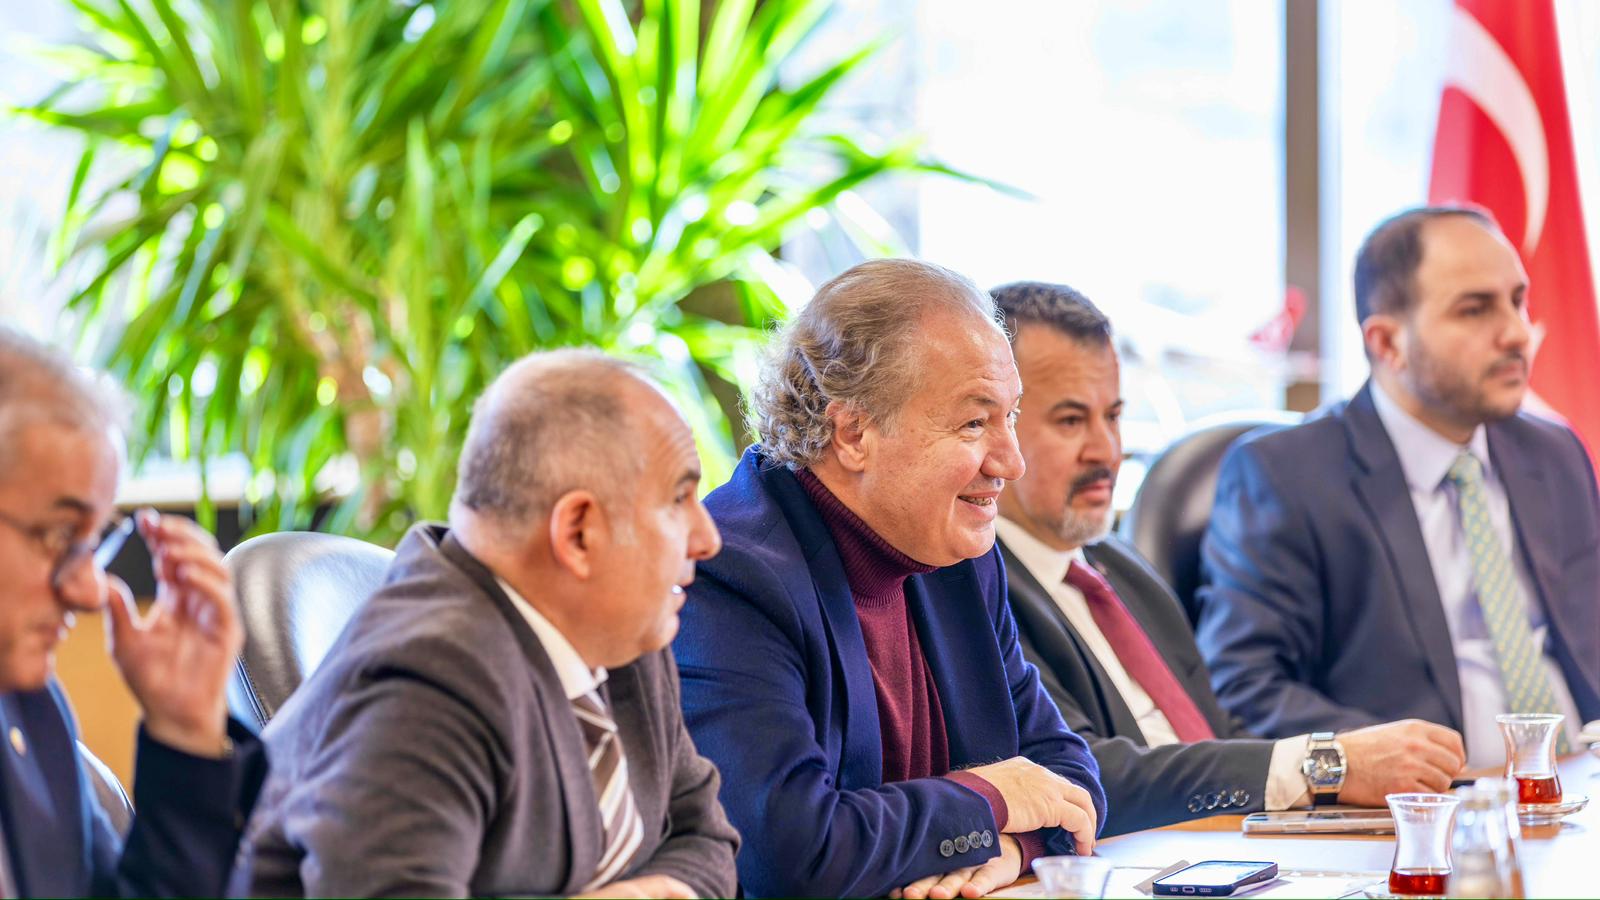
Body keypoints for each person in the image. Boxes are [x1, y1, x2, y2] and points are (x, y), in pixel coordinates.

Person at [673, 259, 1105, 900]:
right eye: (974, 423)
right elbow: (790, 852)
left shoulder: (956, 552)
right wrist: (987, 800)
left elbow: (1069, 775)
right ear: (853, 433)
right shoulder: (730, 572)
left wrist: (1013, 848)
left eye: (1011, 416)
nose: (1011, 462)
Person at [236, 350, 739, 898]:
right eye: (678, 500)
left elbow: (706, 837)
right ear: (578, 532)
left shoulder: (618, 626)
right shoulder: (425, 687)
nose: (707, 538)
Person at [989, 281, 1465, 835]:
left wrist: (1362, 765)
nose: (1106, 450)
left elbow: (1215, 732)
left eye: (1113, 416)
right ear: (998, 424)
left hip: (1231, 846)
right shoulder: (976, 585)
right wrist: (1326, 764)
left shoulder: (1119, 567)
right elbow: (1078, 774)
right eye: (1071, 421)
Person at [1196, 207, 1600, 768]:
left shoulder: (1553, 452)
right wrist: (1374, 760)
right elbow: (1242, 686)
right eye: (1475, 309)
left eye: (1517, 301)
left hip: (1579, 782)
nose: (1517, 333)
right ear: (1387, 342)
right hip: (1425, 804)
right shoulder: (1285, 475)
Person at [0, 327, 266, 897]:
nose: (89, 591)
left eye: (93, 542)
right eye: (60, 536)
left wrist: (185, 733)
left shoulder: (32, 713)